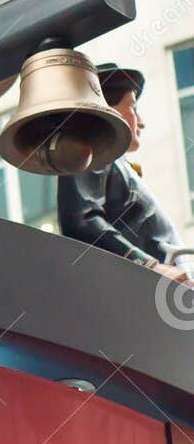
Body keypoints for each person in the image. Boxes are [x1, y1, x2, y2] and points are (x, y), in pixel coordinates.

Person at [57, 64, 188, 282]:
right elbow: (81, 220)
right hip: (150, 291)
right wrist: (150, 266)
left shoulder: (116, 162)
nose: (141, 122)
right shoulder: (94, 150)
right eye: (133, 108)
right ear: (109, 110)